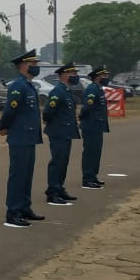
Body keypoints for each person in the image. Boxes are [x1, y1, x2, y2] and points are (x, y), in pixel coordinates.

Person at [0, 50, 46, 228]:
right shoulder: (18, 86)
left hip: (29, 136)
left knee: (26, 175)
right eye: (34, 64)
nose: (37, 67)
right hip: (19, 136)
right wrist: (4, 126)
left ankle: (25, 207)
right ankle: (13, 211)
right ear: (25, 66)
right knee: (18, 175)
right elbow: (11, 109)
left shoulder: (29, 85)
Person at [42, 62, 82, 205]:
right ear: (64, 75)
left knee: (63, 162)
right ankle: (52, 191)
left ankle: (59, 188)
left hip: (66, 131)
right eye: (73, 73)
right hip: (58, 131)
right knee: (57, 161)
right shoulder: (57, 91)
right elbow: (47, 112)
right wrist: (53, 124)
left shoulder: (67, 91)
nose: (75, 76)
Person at [79, 66, 111, 189]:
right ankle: (87, 178)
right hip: (91, 125)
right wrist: (81, 117)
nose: (106, 78)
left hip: (97, 126)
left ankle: (93, 176)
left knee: (96, 152)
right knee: (90, 153)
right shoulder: (92, 89)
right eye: (104, 76)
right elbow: (87, 107)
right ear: (98, 77)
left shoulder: (99, 89)